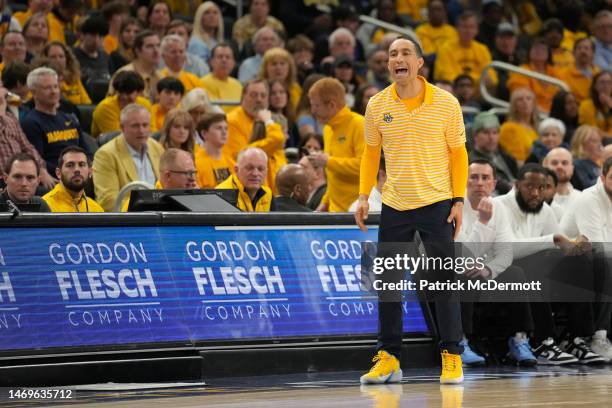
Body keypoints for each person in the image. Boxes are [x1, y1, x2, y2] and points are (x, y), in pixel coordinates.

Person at [356, 37, 468, 384]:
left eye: (406, 53)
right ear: (388, 65)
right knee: (388, 284)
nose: (398, 59)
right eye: (392, 54)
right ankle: (389, 357)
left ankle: (451, 355)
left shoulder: (446, 103)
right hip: (394, 205)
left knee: (444, 282)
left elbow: (459, 154)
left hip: (437, 204)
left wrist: (459, 199)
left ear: (419, 63)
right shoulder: (376, 105)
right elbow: (371, 154)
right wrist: (363, 196)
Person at [494, 163, 604, 365]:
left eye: (541, 187)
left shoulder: (546, 211)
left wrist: (574, 247)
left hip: (536, 270)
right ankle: (542, 342)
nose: (536, 193)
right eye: (529, 186)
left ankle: (575, 338)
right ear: (516, 185)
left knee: (578, 261)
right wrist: (553, 240)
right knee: (537, 261)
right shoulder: (499, 206)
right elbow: (507, 249)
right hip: (503, 271)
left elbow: (557, 248)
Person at [457, 159, 537, 367]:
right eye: (474, 177)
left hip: (485, 271)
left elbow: (505, 252)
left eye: (485, 178)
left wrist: (488, 268)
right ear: (464, 181)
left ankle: (519, 340)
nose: (480, 183)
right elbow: (463, 256)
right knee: (460, 276)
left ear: (493, 184)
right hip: (457, 270)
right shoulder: (455, 207)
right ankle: (460, 342)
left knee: (516, 273)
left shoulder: (499, 208)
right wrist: (483, 222)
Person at [92, 104, 163, 211]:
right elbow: (107, 201)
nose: (141, 130)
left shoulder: (157, 148)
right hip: (129, 219)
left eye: (145, 125)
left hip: (160, 214)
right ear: (122, 128)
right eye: (135, 126)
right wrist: (144, 207)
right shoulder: (105, 155)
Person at [308, 77, 364, 212]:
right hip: (335, 212)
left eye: (316, 105)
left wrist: (328, 161)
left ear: (331, 105)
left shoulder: (360, 125)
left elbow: (365, 167)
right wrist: (325, 203)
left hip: (359, 212)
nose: (313, 111)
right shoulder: (328, 129)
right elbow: (333, 177)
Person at [20, 67, 87, 176]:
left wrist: (88, 166)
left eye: (55, 87)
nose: (54, 91)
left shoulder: (70, 119)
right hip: (57, 176)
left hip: (79, 172)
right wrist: (69, 170)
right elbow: (38, 160)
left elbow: (86, 150)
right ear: (33, 92)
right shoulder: (30, 123)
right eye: (47, 88)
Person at [225, 79, 286, 192]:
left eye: (263, 96)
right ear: (243, 96)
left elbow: (277, 149)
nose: (259, 99)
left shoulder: (271, 120)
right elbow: (240, 155)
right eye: (254, 95)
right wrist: (269, 125)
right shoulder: (232, 121)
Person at [0, 76, 55, 189]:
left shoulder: (11, 117)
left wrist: (41, 169)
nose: (3, 91)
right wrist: (1, 109)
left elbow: (27, 146)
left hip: (23, 176)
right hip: (4, 180)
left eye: (1, 86)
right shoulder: (4, 114)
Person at [434, 11, 495, 89]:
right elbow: (447, 77)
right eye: (464, 26)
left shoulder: (482, 49)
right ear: (457, 28)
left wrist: (473, 81)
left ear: (477, 30)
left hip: (478, 91)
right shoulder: (446, 48)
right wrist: (478, 79)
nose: (468, 31)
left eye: (471, 27)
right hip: (454, 90)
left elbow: (492, 78)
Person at [507, 37, 561, 114]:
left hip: (554, 116)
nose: (539, 51)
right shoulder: (521, 72)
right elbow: (521, 100)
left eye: (543, 49)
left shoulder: (556, 72)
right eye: (535, 48)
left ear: (548, 54)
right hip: (529, 114)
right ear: (529, 52)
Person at [42, 146, 104, 212]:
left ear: (90, 171)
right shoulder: (45, 206)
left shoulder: (97, 210)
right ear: (58, 173)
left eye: (81, 165)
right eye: (70, 165)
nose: (77, 170)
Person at [91, 70, 151, 138]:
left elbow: (151, 131)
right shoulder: (105, 108)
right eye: (120, 92)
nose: (124, 97)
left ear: (139, 93)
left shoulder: (145, 104)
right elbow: (117, 138)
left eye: (128, 93)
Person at [109, 30, 161, 103]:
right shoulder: (125, 74)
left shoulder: (159, 76)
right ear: (137, 51)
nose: (156, 50)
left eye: (158, 45)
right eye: (150, 46)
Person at [216, 147, 274, 212]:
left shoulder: (268, 194)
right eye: (249, 168)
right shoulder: (222, 195)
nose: (255, 173)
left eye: (261, 169)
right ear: (236, 170)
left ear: (266, 172)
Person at [499, 87, 540, 165]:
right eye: (520, 99)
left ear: (534, 103)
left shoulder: (537, 128)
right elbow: (516, 161)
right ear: (514, 105)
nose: (525, 102)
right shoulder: (508, 128)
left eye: (528, 98)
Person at [42, 41, 91, 105]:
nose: (58, 60)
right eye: (53, 57)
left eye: (61, 56)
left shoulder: (74, 77)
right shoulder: (39, 79)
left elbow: (87, 103)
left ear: (67, 59)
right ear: (45, 59)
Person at [195, 112, 234, 188]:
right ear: (204, 133)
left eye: (226, 128)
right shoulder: (195, 163)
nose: (224, 132)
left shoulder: (231, 162)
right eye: (219, 128)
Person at [200, 44, 242, 113]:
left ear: (233, 63)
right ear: (211, 62)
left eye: (228, 57)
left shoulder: (238, 85)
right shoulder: (201, 83)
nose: (224, 60)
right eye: (220, 57)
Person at [543, 147, 581, 222]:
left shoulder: (581, 198)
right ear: (545, 167)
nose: (559, 166)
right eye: (554, 163)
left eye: (564, 163)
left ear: (572, 168)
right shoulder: (538, 198)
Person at [558, 38, 600, 104]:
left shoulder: (600, 74)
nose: (582, 51)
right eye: (579, 48)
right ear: (573, 53)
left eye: (586, 48)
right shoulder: (562, 74)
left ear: (593, 53)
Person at [72, 16, 110, 86]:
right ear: (83, 35)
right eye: (92, 35)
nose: (96, 40)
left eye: (100, 36)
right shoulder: (72, 56)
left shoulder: (106, 57)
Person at [570, 125, 604, 190]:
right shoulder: (577, 163)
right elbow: (585, 186)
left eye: (600, 141)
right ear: (581, 143)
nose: (600, 145)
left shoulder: (595, 164)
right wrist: (606, 178)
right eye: (594, 141)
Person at [578, 71, 611, 136]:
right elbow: (592, 131)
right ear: (595, 86)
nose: (606, 86)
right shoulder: (586, 105)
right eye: (602, 82)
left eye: (609, 82)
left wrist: (610, 105)